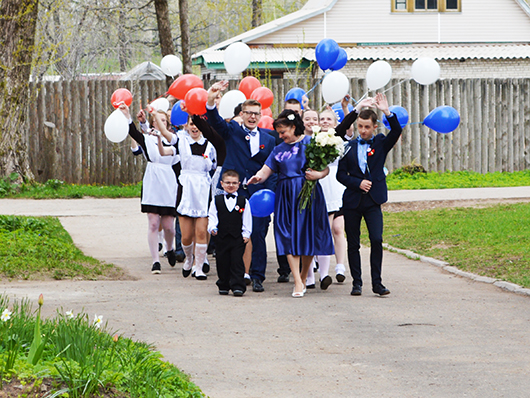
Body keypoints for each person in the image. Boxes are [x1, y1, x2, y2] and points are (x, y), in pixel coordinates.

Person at [248, 109, 334, 298]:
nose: (280, 136)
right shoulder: (278, 149)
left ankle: (303, 277)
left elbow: (325, 168)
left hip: (309, 193)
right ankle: (297, 281)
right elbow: (266, 169)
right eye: (278, 132)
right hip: (285, 196)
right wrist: (258, 177)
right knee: (287, 236)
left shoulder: (311, 143)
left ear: (293, 127)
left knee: (308, 236)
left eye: (283, 132)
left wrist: (318, 175)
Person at [205, 81, 277, 293]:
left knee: (257, 235)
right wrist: (211, 99)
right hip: (235, 191)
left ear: (261, 114)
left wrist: (270, 193)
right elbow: (215, 122)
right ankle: (229, 278)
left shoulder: (269, 138)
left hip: (259, 195)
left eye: (256, 113)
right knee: (231, 236)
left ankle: (257, 276)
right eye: (248, 113)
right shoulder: (233, 131)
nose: (252, 117)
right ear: (242, 114)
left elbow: (272, 167)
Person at [337, 93, 403, 296]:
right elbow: (340, 174)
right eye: (360, 126)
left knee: (376, 239)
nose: (363, 130)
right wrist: (357, 183)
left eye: (367, 127)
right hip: (352, 202)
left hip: (373, 200)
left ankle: (377, 282)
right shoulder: (348, 146)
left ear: (375, 127)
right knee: (353, 243)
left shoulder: (381, 143)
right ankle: (357, 283)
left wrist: (387, 111)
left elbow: (397, 131)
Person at [152, 111, 217, 281]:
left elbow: (216, 165)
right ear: (186, 125)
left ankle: (199, 266)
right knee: (187, 236)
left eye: (198, 123)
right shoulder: (181, 140)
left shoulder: (211, 143)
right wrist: (155, 115)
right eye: (191, 123)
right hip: (186, 188)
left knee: (201, 232)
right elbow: (166, 133)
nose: (195, 126)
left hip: (203, 188)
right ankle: (189, 258)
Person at [118, 103, 179, 274]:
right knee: (153, 223)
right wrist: (127, 116)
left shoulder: (174, 140)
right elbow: (134, 133)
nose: (160, 123)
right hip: (153, 181)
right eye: (157, 120)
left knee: (169, 226)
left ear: (167, 124)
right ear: (153, 123)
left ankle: (169, 247)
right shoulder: (148, 139)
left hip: (168, 182)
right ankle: (155, 261)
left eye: (163, 120)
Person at [208, 170, 252, 296]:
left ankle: (238, 285)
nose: (230, 185)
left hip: (237, 237)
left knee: (237, 261)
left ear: (239, 184)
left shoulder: (243, 201)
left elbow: (247, 219)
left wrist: (246, 234)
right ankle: (223, 284)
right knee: (222, 261)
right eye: (227, 183)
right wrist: (212, 228)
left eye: (233, 183)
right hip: (221, 237)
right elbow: (212, 217)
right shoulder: (216, 201)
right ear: (221, 184)